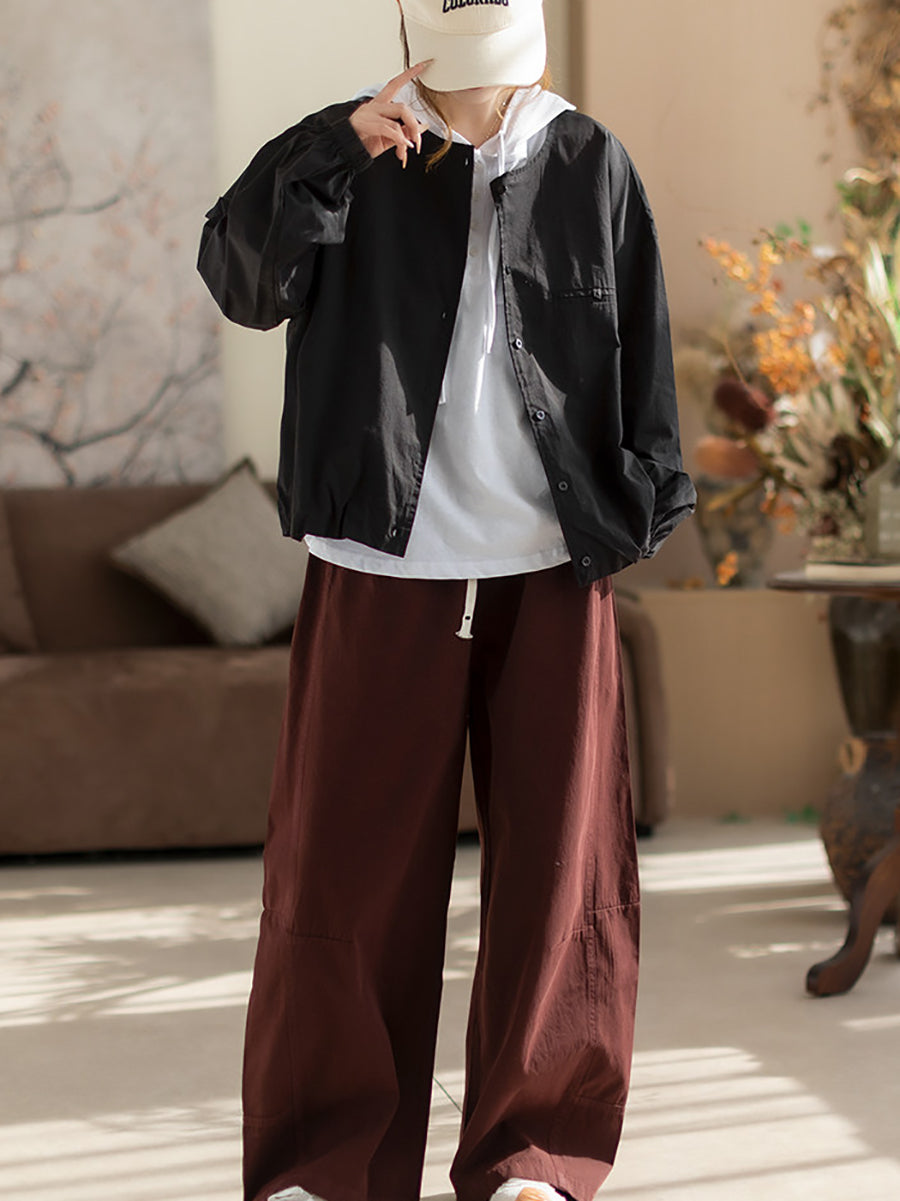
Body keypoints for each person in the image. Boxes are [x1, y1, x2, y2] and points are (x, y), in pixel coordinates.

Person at [197, 2, 696, 1201]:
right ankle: (328, 1164)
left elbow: (643, 348)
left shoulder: (587, 158)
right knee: (342, 880)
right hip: (379, 563)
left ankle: (534, 1158)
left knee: (564, 882)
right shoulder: (351, 148)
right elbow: (241, 280)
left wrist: (632, 506)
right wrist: (333, 150)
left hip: (549, 567)